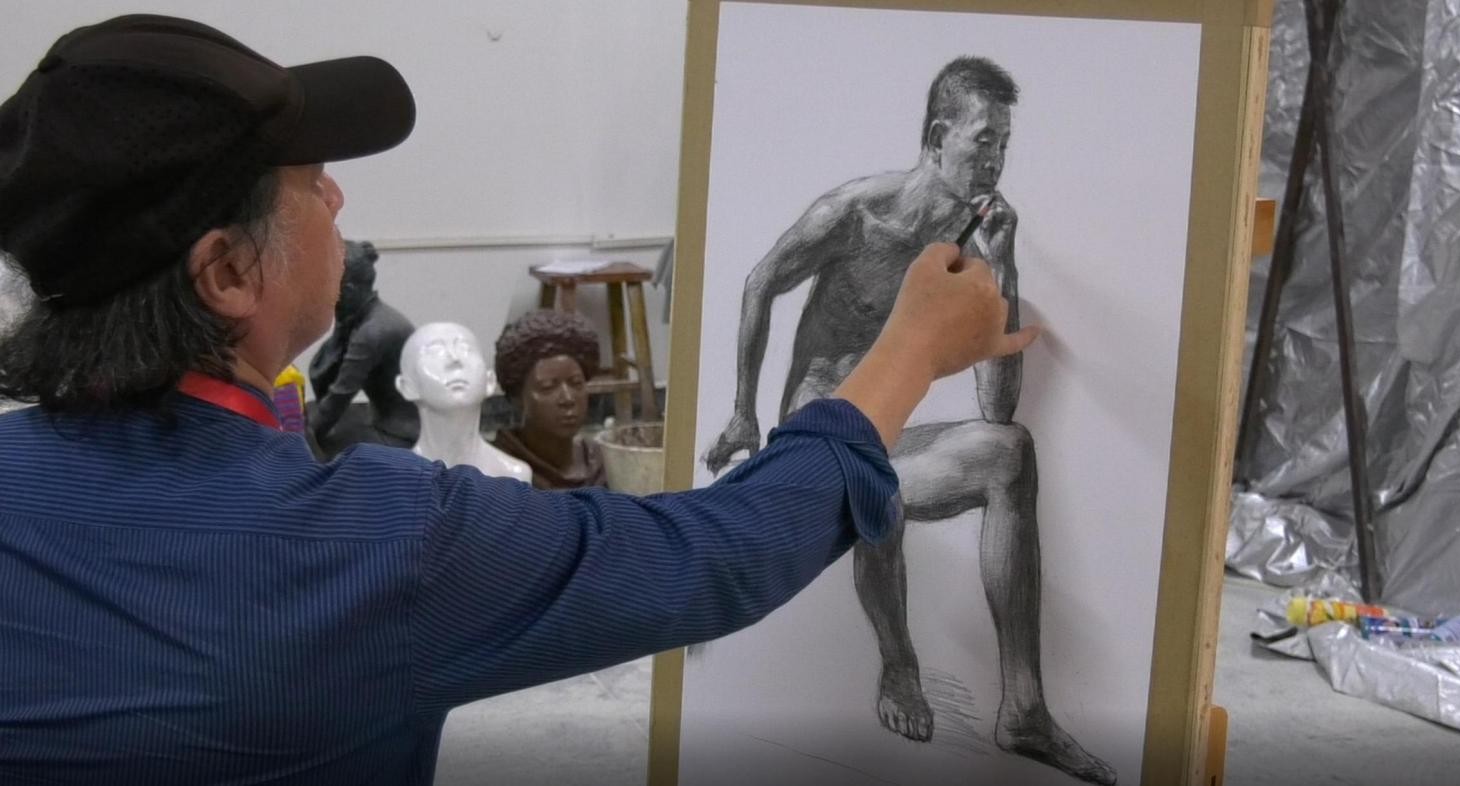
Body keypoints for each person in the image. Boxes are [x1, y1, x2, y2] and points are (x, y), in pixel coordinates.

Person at [0, 15, 1035, 785]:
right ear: (227, 272)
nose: (337, 195)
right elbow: (716, 557)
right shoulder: (375, 543)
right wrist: (909, 351)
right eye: (308, 178)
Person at [703, 56, 1115, 784]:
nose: (995, 161)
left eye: (1004, 145)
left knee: (1010, 452)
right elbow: (760, 280)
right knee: (875, 485)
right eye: (982, 141)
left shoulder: (972, 246)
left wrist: (1004, 267)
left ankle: (1024, 708)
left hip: (882, 438)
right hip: (815, 435)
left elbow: (997, 407)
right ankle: (899, 665)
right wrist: (743, 411)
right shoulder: (858, 211)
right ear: (935, 137)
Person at [307, 238, 419, 453]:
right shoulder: (361, 320)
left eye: (328, 291)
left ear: (348, 291)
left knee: (321, 448)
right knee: (312, 421)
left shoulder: (371, 333)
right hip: (381, 420)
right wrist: (341, 327)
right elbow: (321, 376)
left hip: (399, 434)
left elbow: (339, 396)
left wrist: (306, 437)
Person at [397, 321, 534, 482]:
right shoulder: (393, 480)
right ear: (407, 387)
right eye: (435, 351)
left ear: (489, 381)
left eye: (466, 349)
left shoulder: (513, 475)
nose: (454, 358)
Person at [493, 308, 609, 489]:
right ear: (517, 397)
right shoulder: (498, 469)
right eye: (547, 387)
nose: (567, 399)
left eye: (576, 383)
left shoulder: (599, 462)